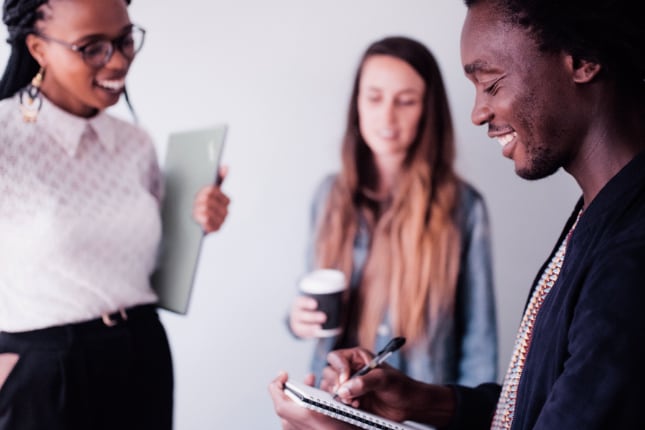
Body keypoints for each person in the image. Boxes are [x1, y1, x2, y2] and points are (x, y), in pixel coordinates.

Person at [270, 0, 645, 428]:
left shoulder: (629, 259)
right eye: (373, 98)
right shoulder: (595, 215)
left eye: (491, 83)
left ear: (583, 60)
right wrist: (423, 401)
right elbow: (535, 405)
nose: (478, 112)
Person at [0, 0, 230, 429]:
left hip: (142, 354)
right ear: (38, 48)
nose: (120, 60)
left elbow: (148, 257)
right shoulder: (5, 142)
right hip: (45, 370)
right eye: (92, 47)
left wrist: (198, 221)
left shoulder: (134, 142)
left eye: (125, 40)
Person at [287, 35, 497, 387]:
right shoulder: (328, 197)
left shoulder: (463, 208)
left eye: (406, 101)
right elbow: (314, 302)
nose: (387, 115)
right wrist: (298, 320)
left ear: (427, 111)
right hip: (334, 404)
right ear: (357, 103)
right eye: (374, 98)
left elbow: (479, 346)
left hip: (418, 418)